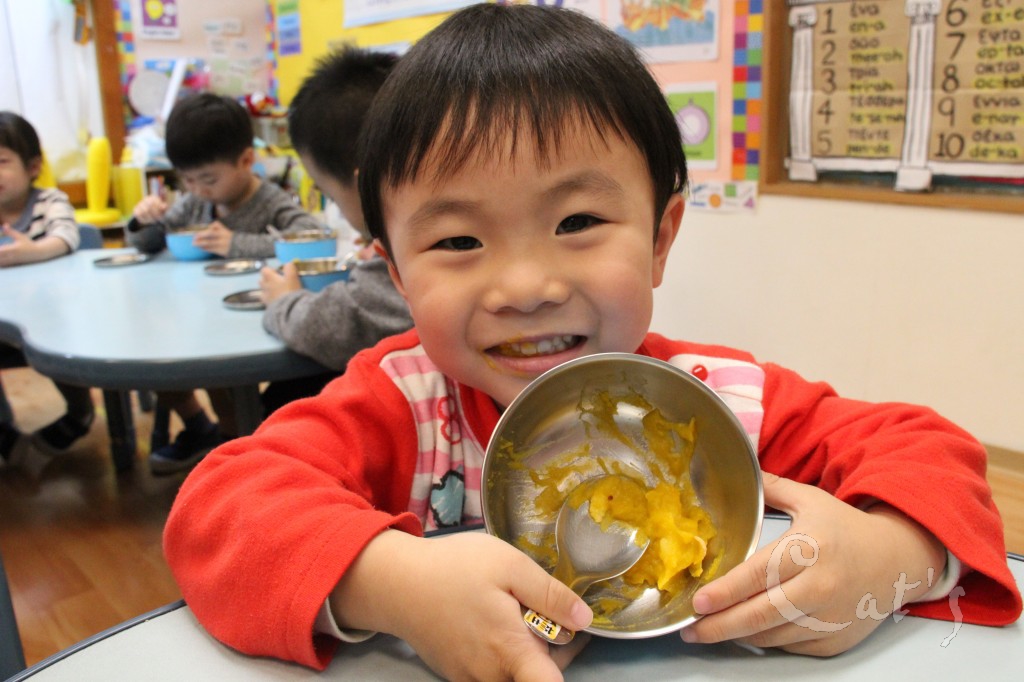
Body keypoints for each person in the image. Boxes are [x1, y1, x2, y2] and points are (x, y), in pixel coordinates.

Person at [163, 5, 1022, 680]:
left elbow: (930, 452)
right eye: (458, 241)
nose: (525, 286)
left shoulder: (722, 399)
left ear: (659, 240)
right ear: (395, 272)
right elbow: (219, 510)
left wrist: (891, 556)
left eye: (576, 222)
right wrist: (390, 584)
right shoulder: (399, 402)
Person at [126, 93, 323, 475]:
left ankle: (235, 447)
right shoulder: (195, 203)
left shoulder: (269, 201)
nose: (198, 189)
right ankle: (204, 428)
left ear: (246, 160)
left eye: (208, 179)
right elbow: (149, 242)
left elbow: (309, 236)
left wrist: (237, 244)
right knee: (157, 360)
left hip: (250, 323)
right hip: (200, 318)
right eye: (187, 180)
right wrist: (144, 222)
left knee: (226, 384)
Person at [258, 47, 413, 415]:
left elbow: (330, 326)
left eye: (328, 193)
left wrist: (284, 301)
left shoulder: (408, 260)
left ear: (369, 187)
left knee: (283, 399)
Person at [0, 111, 95, 460]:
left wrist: (33, 251)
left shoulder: (49, 202)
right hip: (4, 327)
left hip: (54, 319)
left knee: (59, 351)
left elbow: (67, 237)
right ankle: (3, 427)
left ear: (33, 166)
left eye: (2, 162)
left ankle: (80, 411)